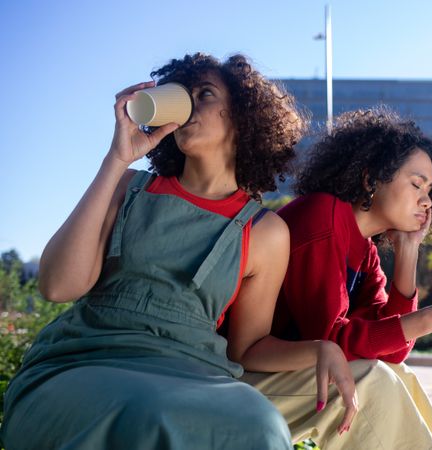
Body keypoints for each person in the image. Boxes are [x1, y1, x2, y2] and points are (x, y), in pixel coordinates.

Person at [0, 53, 357, 450]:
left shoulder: (266, 232)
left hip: (195, 373)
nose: (189, 105)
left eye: (204, 94)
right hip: (86, 360)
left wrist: (322, 348)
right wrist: (116, 161)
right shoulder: (128, 187)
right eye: (181, 95)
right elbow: (57, 286)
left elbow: (248, 348)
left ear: (242, 116)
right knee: (149, 416)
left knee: (262, 423)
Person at [243, 108, 432, 450]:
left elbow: (392, 352)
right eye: (416, 184)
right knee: (372, 379)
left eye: (431, 191)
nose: (426, 201)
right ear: (370, 179)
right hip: (246, 372)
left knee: (398, 375)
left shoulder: (365, 252)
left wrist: (408, 252)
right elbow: (329, 340)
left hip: (291, 376)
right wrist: (430, 319)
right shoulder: (320, 216)